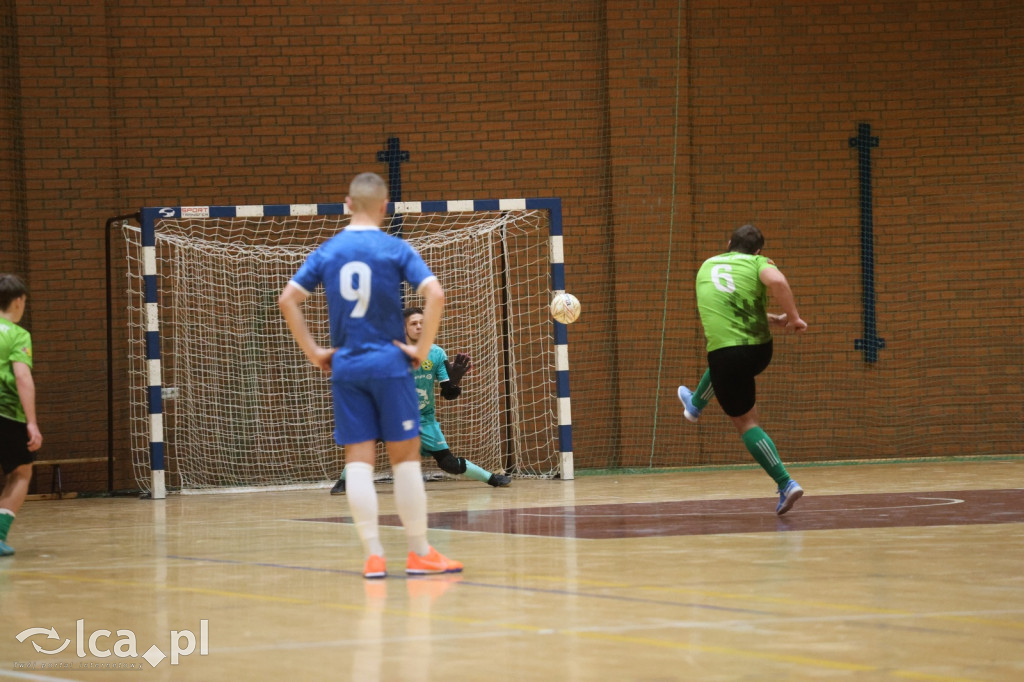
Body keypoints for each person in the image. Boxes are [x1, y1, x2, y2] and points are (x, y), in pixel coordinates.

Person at [279, 172, 462, 579]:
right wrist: (420, 349)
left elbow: (288, 299)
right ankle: (418, 552)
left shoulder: (328, 250)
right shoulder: (395, 248)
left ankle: (373, 555)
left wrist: (314, 353)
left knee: (359, 462)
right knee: (405, 462)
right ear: (384, 207)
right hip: (389, 365)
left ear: (347, 204)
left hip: (347, 366)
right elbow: (436, 294)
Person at [676, 224, 808, 515]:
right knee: (725, 370)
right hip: (760, 351)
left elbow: (729, 302)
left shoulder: (706, 266)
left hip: (727, 354)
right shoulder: (759, 262)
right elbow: (777, 284)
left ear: (728, 243)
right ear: (758, 251)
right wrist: (789, 318)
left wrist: (791, 317)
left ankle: (786, 483)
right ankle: (695, 405)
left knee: (747, 422)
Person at [330, 306, 512, 495]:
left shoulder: (436, 354)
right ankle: (343, 482)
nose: (419, 327)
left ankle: (491, 478)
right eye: (414, 323)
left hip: (423, 418)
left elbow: (448, 394)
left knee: (448, 463)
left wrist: (455, 382)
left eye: (422, 323)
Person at [0, 274, 42, 556]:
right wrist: (32, 422)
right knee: (21, 473)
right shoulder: (16, 334)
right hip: (7, 413)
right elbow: (22, 378)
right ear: (18, 302)